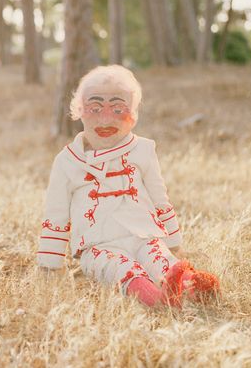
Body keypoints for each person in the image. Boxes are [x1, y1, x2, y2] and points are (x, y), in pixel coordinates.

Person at [36, 65, 219, 308]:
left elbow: (159, 198)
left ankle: (193, 287)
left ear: (132, 116)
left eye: (118, 108)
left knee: (161, 258)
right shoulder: (67, 162)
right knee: (121, 268)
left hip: (143, 235)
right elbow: (56, 214)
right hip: (97, 245)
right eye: (95, 107)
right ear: (79, 111)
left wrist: (174, 244)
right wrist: (50, 265)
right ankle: (157, 300)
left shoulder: (142, 151)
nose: (106, 118)